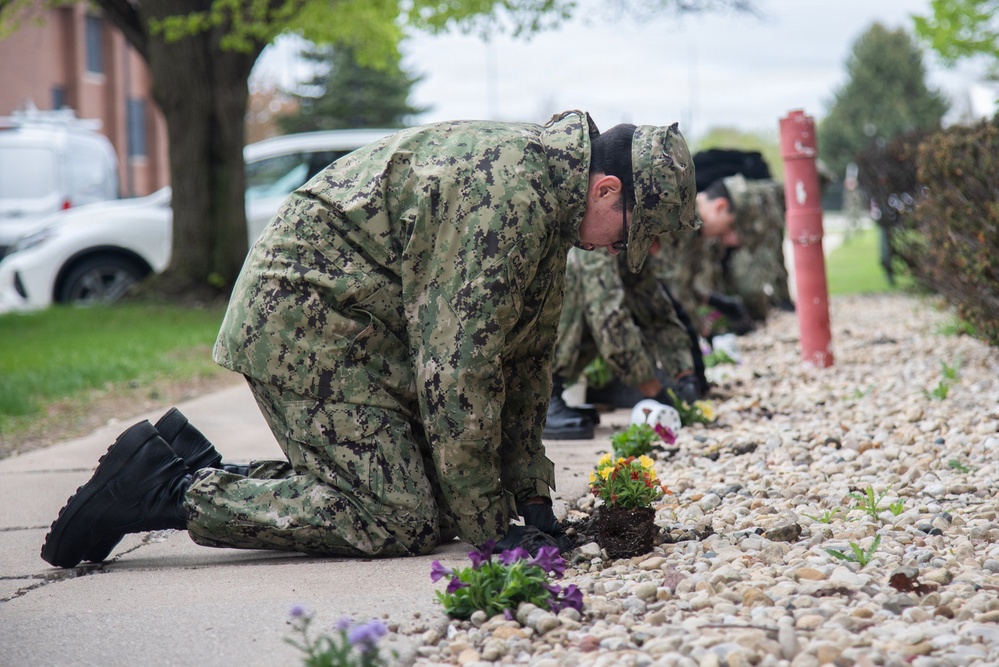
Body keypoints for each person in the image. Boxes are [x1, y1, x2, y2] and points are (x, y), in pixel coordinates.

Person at [40, 110, 698, 569]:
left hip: (362, 331)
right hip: (306, 322)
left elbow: (525, 365)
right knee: (396, 519)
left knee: (437, 502)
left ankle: (179, 460)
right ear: (606, 187)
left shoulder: (550, 210)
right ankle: (167, 490)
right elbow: (458, 371)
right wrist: (493, 531)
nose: (618, 251)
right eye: (627, 233)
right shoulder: (503, 195)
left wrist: (531, 499)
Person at [543, 242, 703, 440]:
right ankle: (541, 397)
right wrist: (653, 390)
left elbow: (657, 314)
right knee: (587, 296)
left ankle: (550, 391)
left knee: (621, 302)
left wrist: (683, 374)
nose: (655, 249)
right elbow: (609, 320)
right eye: (653, 238)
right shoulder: (597, 245)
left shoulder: (629, 250)